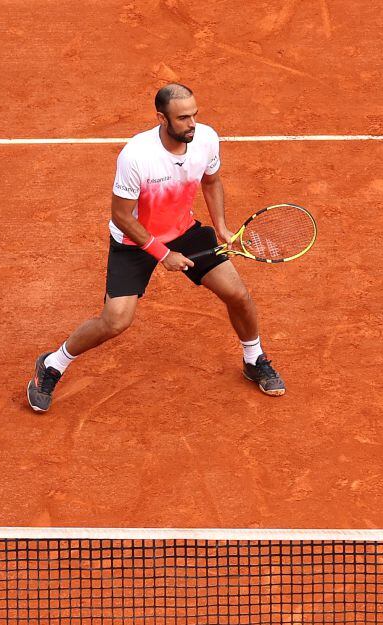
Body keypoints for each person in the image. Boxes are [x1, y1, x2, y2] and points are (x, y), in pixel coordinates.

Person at [27, 83, 284, 412]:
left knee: (238, 294)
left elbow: (211, 181)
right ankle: (52, 364)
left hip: (183, 230)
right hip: (134, 239)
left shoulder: (206, 139)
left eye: (194, 115)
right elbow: (121, 216)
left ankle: (253, 359)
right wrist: (163, 254)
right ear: (162, 118)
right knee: (115, 321)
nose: (192, 124)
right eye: (183, 118)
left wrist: (220, 226)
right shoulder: (137, 156)